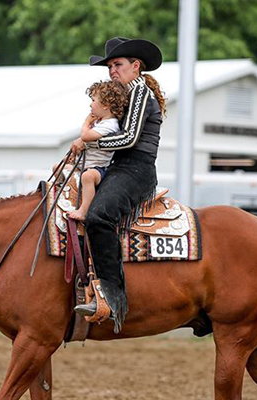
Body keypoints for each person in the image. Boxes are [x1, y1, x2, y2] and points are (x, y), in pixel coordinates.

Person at [71, 37, 167, 333]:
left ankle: (112, 298)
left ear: (135, 66)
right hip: (117, 168)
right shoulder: (127, 95)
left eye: (118, 64)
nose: (112, 70)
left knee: (99, 216)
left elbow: (129, 139)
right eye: (110, 66)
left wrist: (88, 141)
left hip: (136, 169)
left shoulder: (140, 93)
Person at [67, 81, 128, 221]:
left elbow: (86, 137)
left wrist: (86, 122)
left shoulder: (110, 124)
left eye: (93, 100)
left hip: (98, 168)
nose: (90, 104)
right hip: (85, 165)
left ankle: (84, 210)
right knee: (59, 168)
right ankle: (68, 198)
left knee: (87, 177)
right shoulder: (100, 123)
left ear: (106, 105)